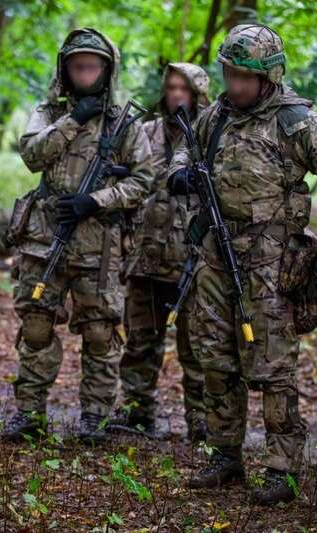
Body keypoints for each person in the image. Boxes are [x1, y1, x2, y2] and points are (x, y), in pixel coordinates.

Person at [169, 24, 317, 505]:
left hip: (272, 258)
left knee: (272, 363)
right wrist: (180, 174)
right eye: (229, 74)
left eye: (244, 77)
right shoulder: (216, 115)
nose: (234, 85)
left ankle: (282, 468)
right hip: (216, 251)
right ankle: (225, 454)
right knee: (214, 356)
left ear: (269, 76)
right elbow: (184, 148)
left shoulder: (297, 121)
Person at [0, 28, 153, 443]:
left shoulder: (124, 123)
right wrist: (74, 118)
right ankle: (30, 414)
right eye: (77, 66)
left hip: (98, 243)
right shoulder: (49, 113)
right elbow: (32, 155)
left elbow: (144, 181)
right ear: (65, 70)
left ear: (106, 70)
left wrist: (96, 201)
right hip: (43, 238)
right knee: (36, 326)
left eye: (92, 66)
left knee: (101, 332)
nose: (85, 73)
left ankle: (94, 419)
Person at [110, 62, 210, 441]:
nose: (176, 95)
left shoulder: (210, 135)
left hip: (195, 259)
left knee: (197, 346)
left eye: (184, 89)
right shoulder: (145, 132)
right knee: (140, 340)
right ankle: (137, 413)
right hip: (146, 254)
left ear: (197, 94)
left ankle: (201, 422)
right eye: (171, 88)